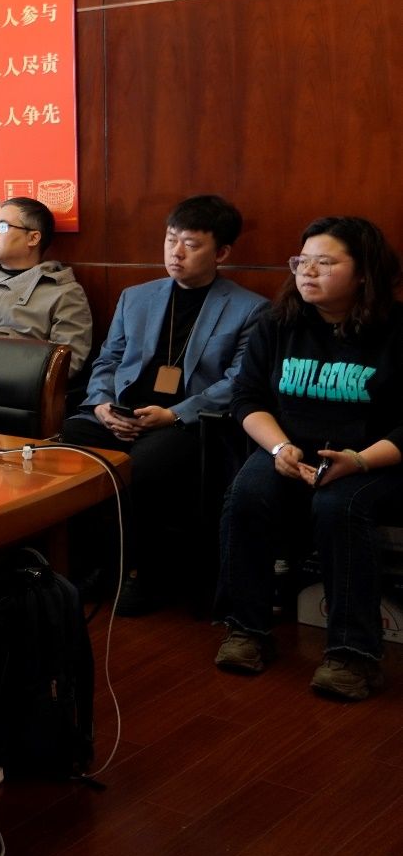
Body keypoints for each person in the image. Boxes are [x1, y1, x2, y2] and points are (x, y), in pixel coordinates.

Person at [214, 217, 403, 701]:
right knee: (247, 493)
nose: (307, 271)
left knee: (339, 506)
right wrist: (279, 448)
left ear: (364, 273)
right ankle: (247, 629)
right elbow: (247, 398)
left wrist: (358, 461)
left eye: (325, 262)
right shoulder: (278, 323)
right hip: (291, 450)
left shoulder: (395, 330)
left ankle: (353, 654)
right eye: (302, 261)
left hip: (373, 459)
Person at [61, 197, 268, 615]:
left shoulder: (250, 308)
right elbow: (107, 360)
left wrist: (173, 414)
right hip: (122, 413)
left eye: (191, 244)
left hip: (187, 422)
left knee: (144, 465)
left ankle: (143, 574)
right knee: (71, 442)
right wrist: (101, 404)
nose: (176, 253)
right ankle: (98, 566)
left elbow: (237, 382)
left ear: (221, 252)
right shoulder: (136, 297)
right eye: (171, 240)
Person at [0, 196, 95, 372]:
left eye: (2, 227)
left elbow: (65, 365)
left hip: (20, 387)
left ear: (33, 238)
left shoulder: (64, 293)